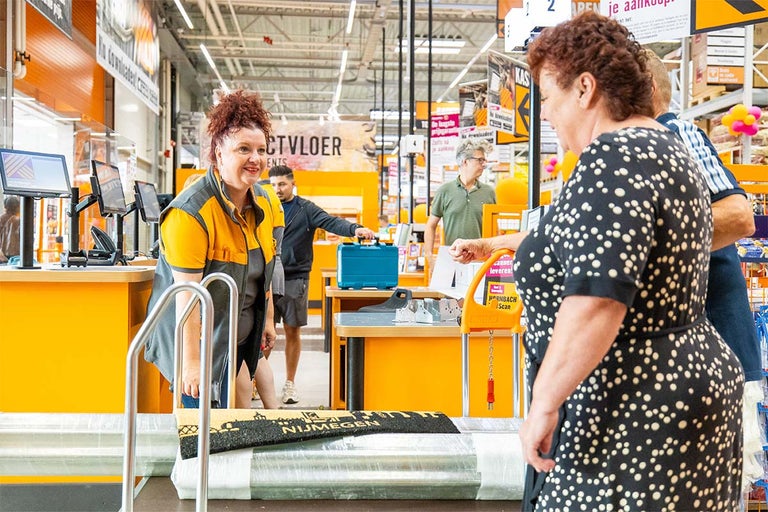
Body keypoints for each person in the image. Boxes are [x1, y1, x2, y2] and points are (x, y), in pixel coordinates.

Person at [451, 11, 742, 510]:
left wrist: (545, 400)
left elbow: (597, 297)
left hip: (629, 408)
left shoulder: (614, 157)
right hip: (674, 393)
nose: (543, 114)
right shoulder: (662, 147)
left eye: (547, 97)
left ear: (584, 88)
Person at [646, 49, 763, 487]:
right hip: (678, 359)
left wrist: (646, 243)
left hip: (713, 350)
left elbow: (738, 217)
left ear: (647, 89)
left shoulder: (679, 133)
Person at [144, 90, 278, 409]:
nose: (255, 158)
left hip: (236, 337)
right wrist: (191, 364)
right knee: (202, 433)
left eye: (261, 149)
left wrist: (268, 319)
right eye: (243, 148)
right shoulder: (190, 213)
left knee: (238, 417)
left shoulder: (264, 202)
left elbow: (266, 270)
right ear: (218, 153)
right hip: (197, 342)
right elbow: (188, 297)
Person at [268, 165, 375, 404]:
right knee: (265, 334)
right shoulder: (264, 205)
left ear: (293, 183)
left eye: (282, 184)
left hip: (296, 278)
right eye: (273, 184)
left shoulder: (305, 209)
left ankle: (290, 384)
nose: (277, 189)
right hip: (265, 278)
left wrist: (354, 229)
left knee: (292, 331)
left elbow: (330, 222)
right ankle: (256, 380)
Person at [423, 138, 495, 270]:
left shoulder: (489, 192)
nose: (484, 164)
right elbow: (431, 226)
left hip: (481, 262)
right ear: (465, 161)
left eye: (484, 160)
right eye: (480, 160)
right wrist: (429, 257)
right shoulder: (445, 191)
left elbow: (494, 228)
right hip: (451, 261)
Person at [0, 195, 20, 264]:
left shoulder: (1, 219)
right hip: (17, 256)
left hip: (2, 255)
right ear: (17, 207)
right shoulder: (19, 220)